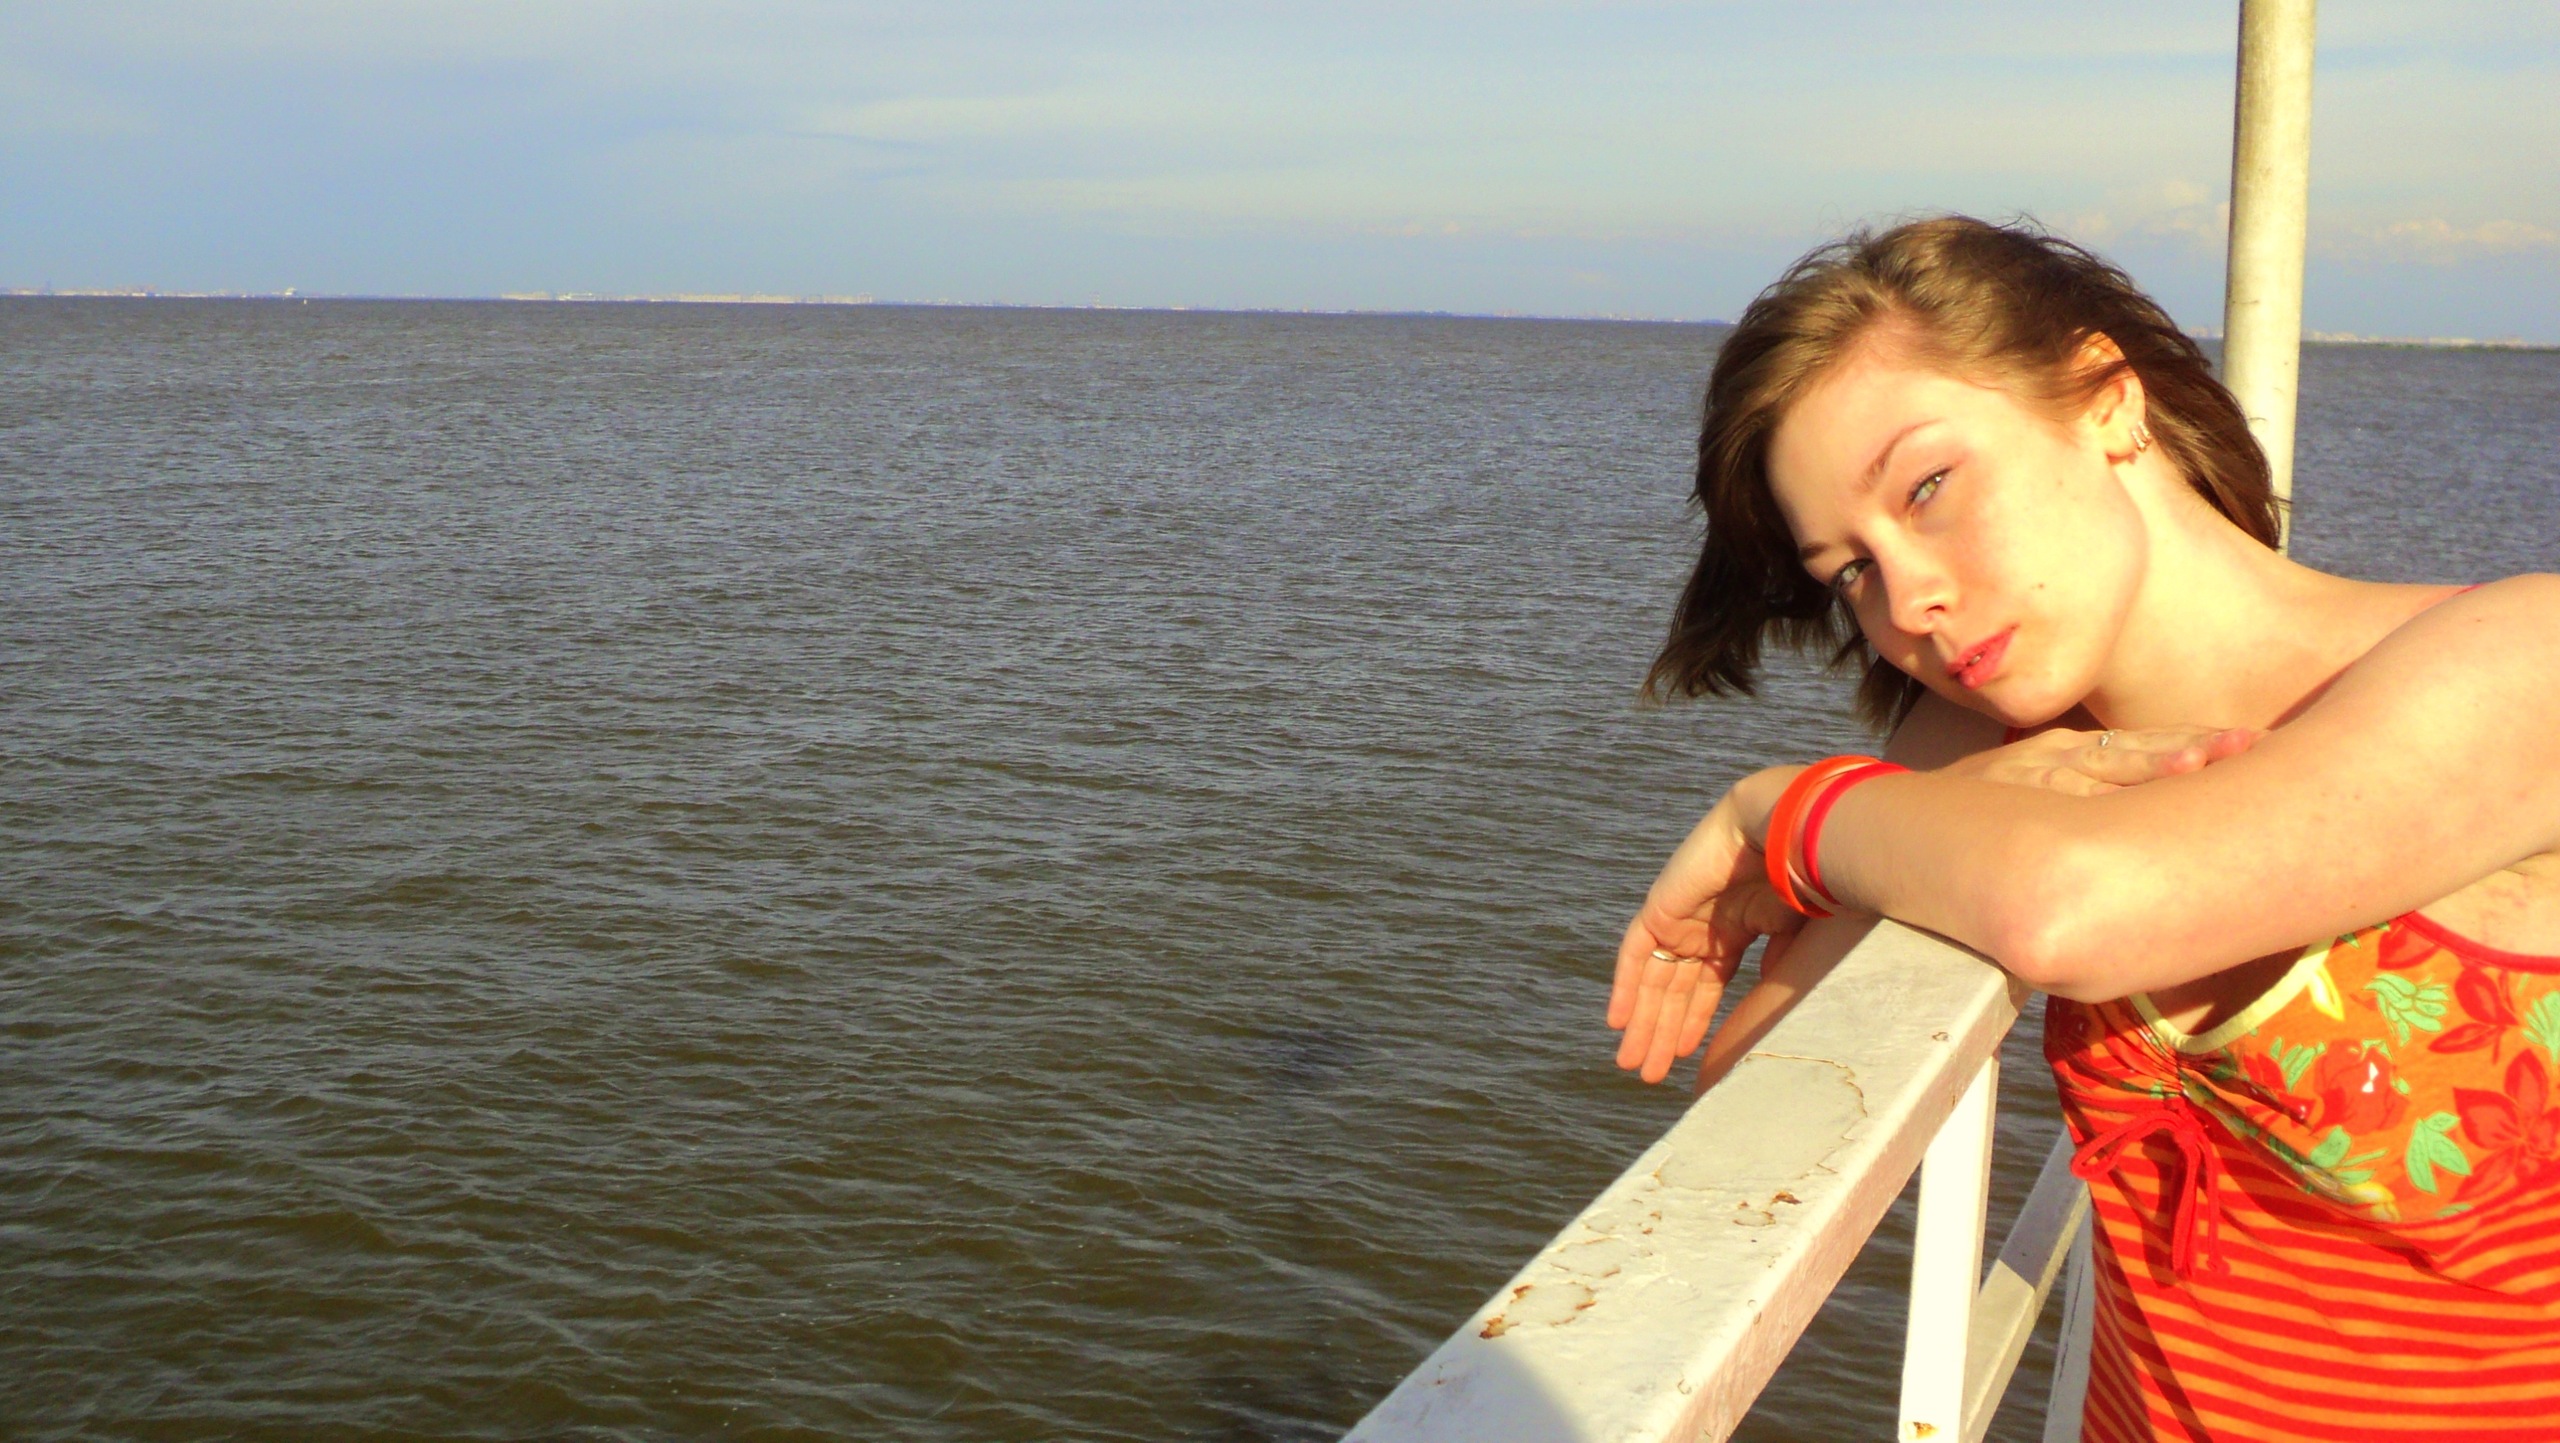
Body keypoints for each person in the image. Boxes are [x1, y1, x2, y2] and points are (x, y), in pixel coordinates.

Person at [1605, 216, 2560, 1442]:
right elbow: (1769, 1090)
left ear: (2106, 401)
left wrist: (1779, 811)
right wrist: (1923, 806)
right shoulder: (1998, 746)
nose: (1909, 600)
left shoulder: (2524, 658)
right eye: (1848, 571)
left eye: (1928, 489)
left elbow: (2075, 913)